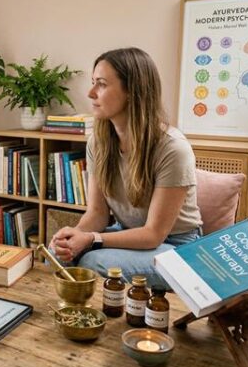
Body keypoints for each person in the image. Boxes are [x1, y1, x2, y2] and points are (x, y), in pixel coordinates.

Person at [49, 47, 202, 288]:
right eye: (93, 83)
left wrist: (91, 239)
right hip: (127, 234)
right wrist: (74, 237)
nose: (90, 93)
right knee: (57, 255)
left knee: (92, 262)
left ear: (132, 91)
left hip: (177, 248)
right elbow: (98, 213)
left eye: (101, 84)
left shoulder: (173, 148)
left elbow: (153, 234)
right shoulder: (98, 142)